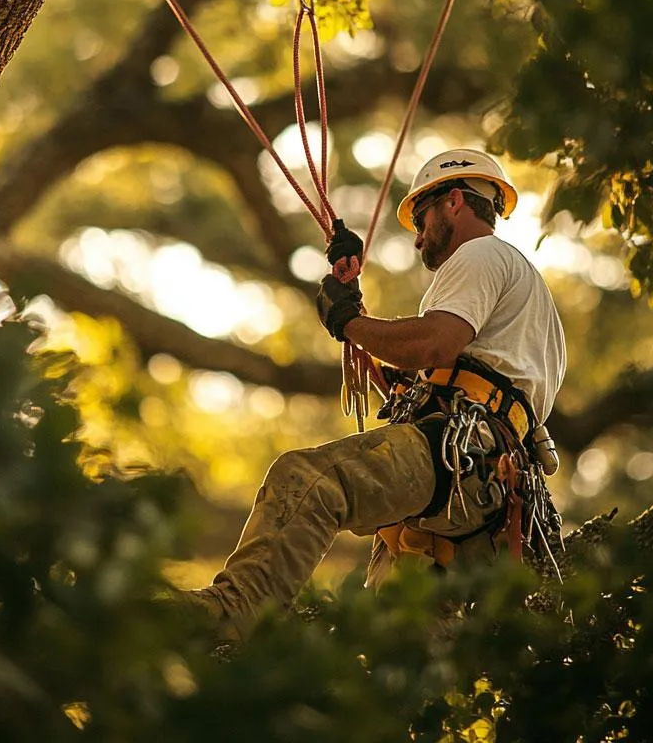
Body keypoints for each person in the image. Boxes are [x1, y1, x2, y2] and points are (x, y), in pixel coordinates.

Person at [185, 148, 566, 639]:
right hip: (484, 495)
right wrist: (360, 328)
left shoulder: (482, 253)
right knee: (389, 647)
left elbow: (432, 342)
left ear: (454, 202)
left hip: (461, 458)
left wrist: (352, 322)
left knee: (309, 478)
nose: (417, 239)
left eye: (421, 220)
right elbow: (446, 372)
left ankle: (235, 609)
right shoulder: (530, 302)